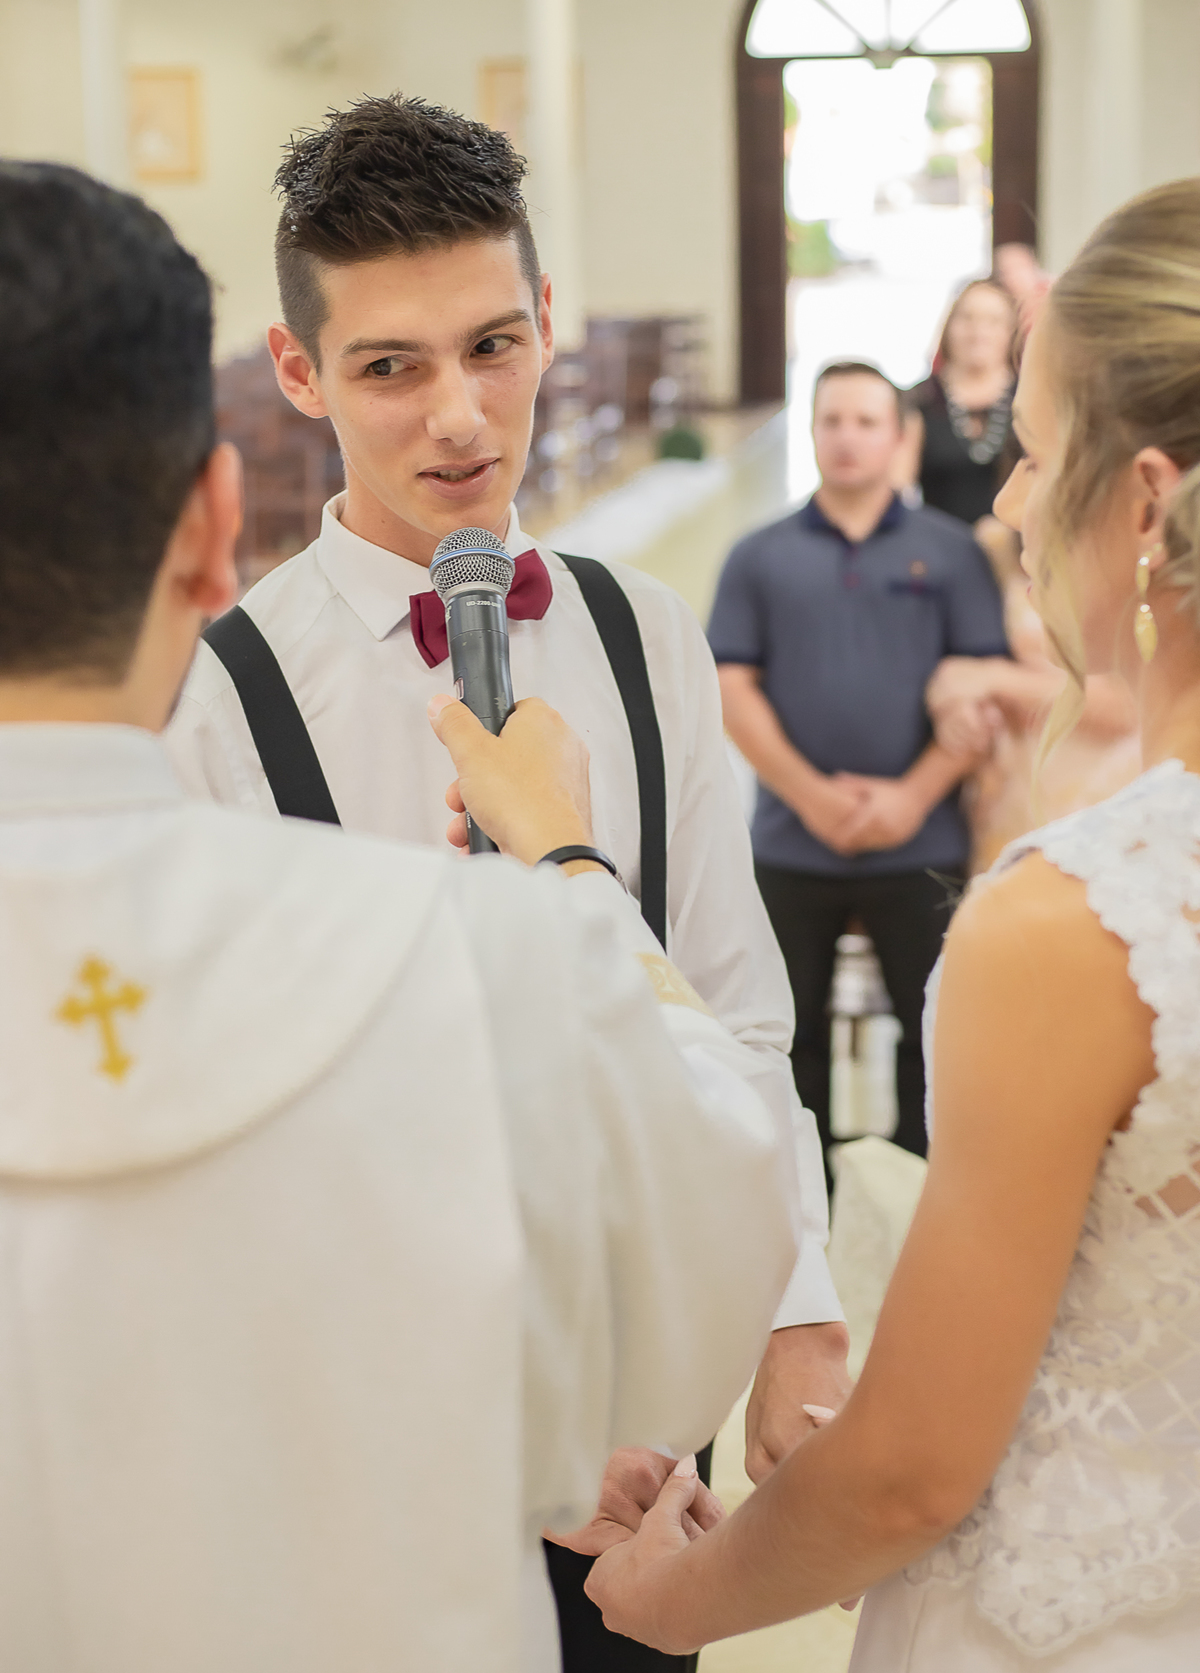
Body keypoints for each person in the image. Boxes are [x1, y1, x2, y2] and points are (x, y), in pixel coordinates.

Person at [0, 161, 803, 1673]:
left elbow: (740, 1003)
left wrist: (775, 1327)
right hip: (383, 1468)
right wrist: (568, 862)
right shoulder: (223, 701)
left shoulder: (644, 633)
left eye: (493, 347)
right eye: (389, 367)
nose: (458, 417)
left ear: (547, 324)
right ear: (281, 401)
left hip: (625, 1455)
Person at [585, 176, 1200, 1671]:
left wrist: (675, 1595)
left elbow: (915, 1471)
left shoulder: (1079, 923)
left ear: (1145, 503)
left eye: (1034, 454)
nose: (1008, 503)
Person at [709, 362, 1007, 1174]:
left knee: (934, 1037)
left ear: (900, 437)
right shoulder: (759, 556)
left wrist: (912, 797)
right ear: (811, 431)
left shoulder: (950, 554)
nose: (847, 437)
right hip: (790, 842)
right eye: (831, 420)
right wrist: (810, 795)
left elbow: (982, 685)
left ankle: (915, 1196)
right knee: (785, 1039)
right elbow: (730, 685)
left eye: (867, 421)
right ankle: (810, 1206)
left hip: (924, 842)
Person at [927, 518, 1140, 871]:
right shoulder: (993, 544)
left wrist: (997, 679)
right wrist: (960, 705)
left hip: (1108, 785)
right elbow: (968, 655)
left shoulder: (1132, 543)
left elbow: (1131, 707)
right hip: (1014, 784)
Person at [900, 279, 1019, 528]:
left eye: (993, 321)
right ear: (949, 325)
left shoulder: (1028, 398)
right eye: (967, 318)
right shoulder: (921, 399)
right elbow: (898, 487)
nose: (979, 332)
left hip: (1017, 541)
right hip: (938, 541)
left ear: (1011, 331)